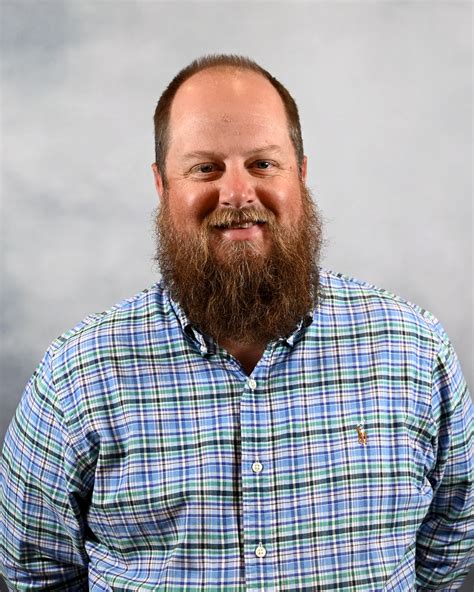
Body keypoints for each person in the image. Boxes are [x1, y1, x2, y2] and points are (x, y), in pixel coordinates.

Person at [0, 54, 472, 591]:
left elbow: (448, 556)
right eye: (205, 167)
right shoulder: (77, 376)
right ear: (161, 185)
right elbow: (36, 574)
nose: (237, 193)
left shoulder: (414, 351)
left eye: (262, 164)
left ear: (301, 173)